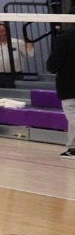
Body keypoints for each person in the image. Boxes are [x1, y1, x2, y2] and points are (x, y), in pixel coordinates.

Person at [0, 23, 34, 90]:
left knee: (14, 98)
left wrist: (29, 43)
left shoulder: (18, 43)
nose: (0, 34)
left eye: (2, 31)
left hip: (16, 76)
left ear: (7, 31)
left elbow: (30, 54)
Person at [49, 24, 75, 158]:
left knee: (72, 116)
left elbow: (53, 64)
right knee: (72, 120)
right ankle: (72, 148)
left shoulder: (65, 38)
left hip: (69, 85)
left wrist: (51, 66)